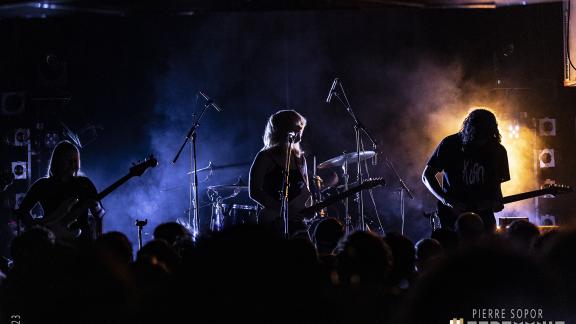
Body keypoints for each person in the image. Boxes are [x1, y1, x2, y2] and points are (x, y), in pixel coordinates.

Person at [422, 109, 510, 232]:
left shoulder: (498, 150)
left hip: (483, 215)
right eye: (478, 138)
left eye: (485, 138)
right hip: (453, 214)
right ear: (471, 131)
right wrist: (447, 200)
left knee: (487, 248)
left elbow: (496, 182)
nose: (481, 143)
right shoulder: (450, 144)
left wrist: (496, 201)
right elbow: (427, 175)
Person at [16, 140, 105, 244]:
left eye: (75, 160)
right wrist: (38, 229)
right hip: (53, 244)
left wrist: (96, 207)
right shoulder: (43, 185)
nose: (73, 164)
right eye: (68, 160)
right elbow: (22, 212)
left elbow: (100, 214)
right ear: (57, 160)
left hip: (82, 243)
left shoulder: (84, 183)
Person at [249, 110, 312, 236]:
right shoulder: (265, 157)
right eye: (297, 127)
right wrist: (283, 210)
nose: (300, 131)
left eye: (301, 127)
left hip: (296, 223)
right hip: (273, 221)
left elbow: (306, 191)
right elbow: (254, 192)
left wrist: (309, 209)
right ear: (284, 129)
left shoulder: (300, 158)